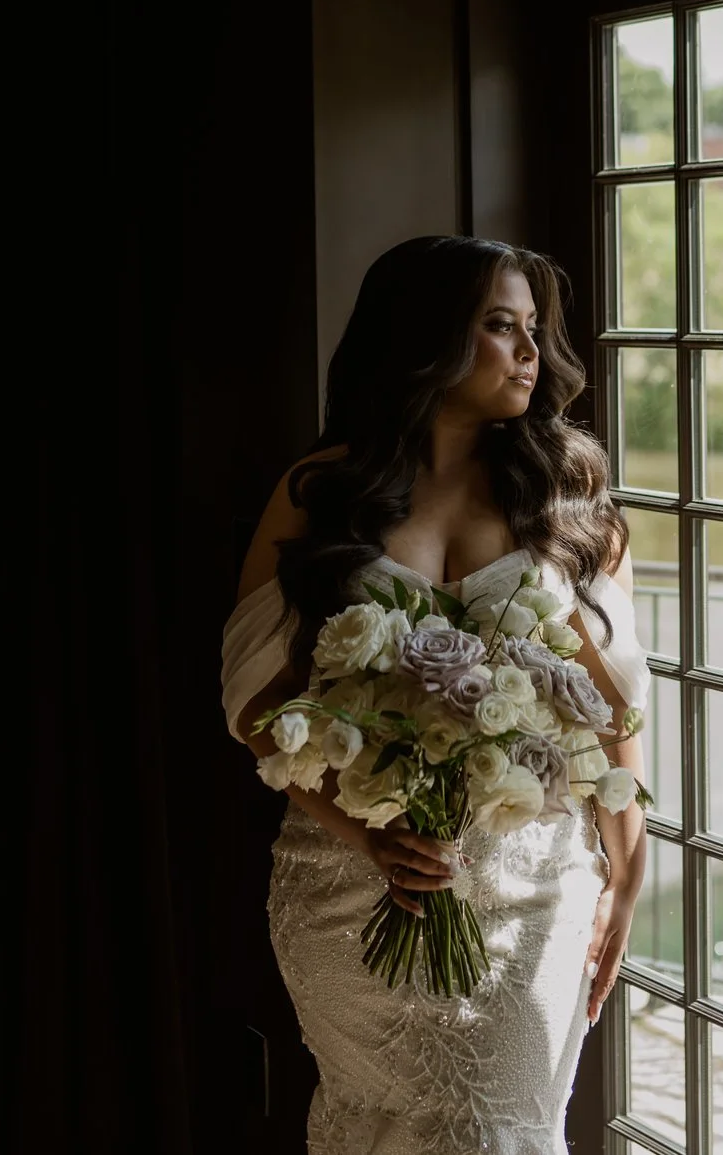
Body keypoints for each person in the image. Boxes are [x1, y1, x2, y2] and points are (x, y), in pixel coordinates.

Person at [221, 235, 651, 1154]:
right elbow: (257, 706)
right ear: (425, 338)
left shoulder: (568, 494)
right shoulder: (320, 492)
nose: (531, 351)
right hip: (347, 882)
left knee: (502, 1128)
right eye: (502, 326)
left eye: (534, 327)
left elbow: (610, 711)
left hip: (533, 885)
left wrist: (628, 870)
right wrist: (362, 830)